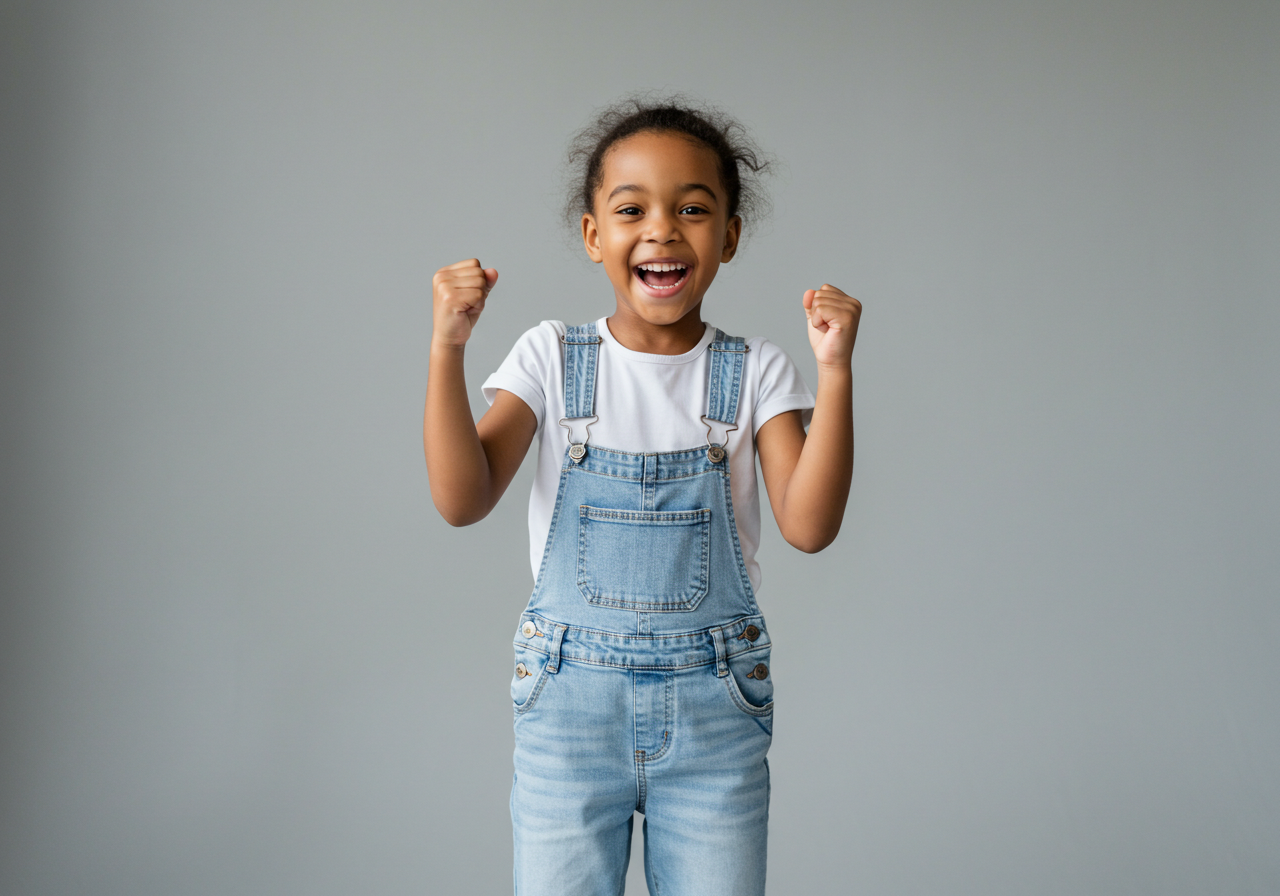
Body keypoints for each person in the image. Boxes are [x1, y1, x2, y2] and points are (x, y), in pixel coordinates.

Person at [423, 97, 861, 896]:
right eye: (633, 210)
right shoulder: (551, 358)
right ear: (595, 236)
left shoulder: (756, 371)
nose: (662, 230)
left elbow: (809, 525)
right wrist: (447, 349)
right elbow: (463, 496)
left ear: (728, 236)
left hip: (714, 717)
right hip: (569, 716)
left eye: (692, 209)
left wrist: (834, 374)